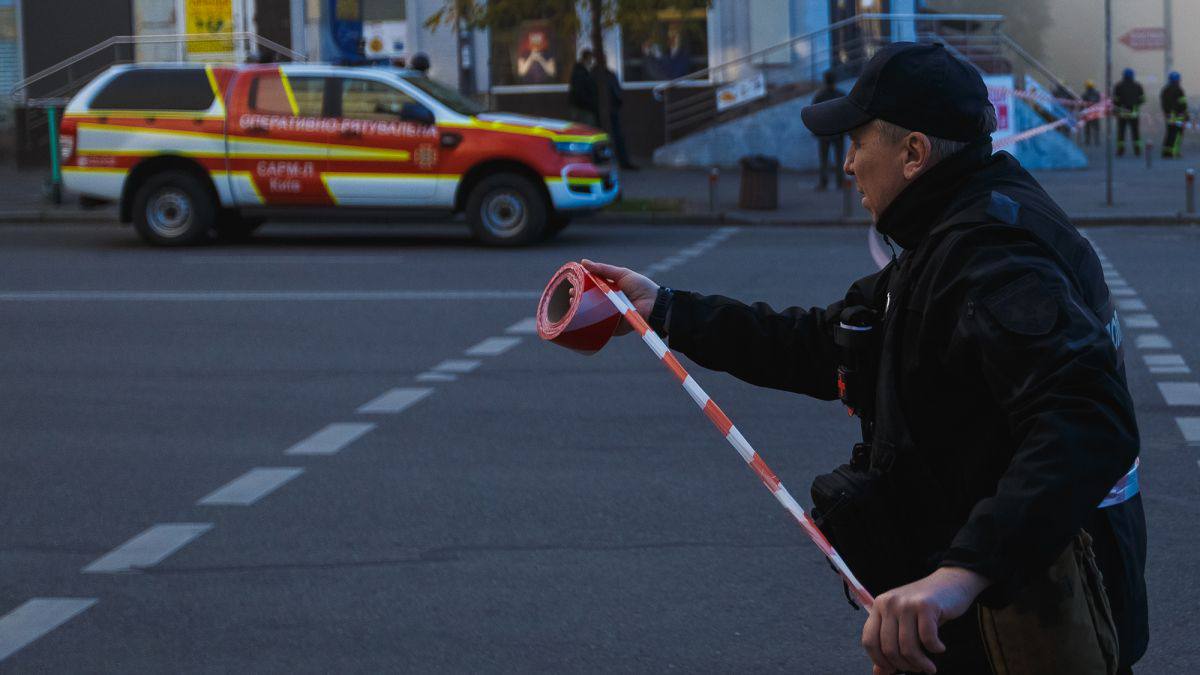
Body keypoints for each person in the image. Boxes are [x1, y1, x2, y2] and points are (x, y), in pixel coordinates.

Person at [583, 42, 1146, 674]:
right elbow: (827, 343)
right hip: (973, 613)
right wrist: (664, 309)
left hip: (1017, 623)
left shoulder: (993, 258)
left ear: (914, 154)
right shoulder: (950, 228)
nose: (848, 163)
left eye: (857, 143)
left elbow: (1089, 419)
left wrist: (957, 578)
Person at [812, 70, 847, 190]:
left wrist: (816, 131)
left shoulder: (819, 96)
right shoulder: (840, 95)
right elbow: (846, 115)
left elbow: (814, 115)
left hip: (824, 133)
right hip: (838, 133)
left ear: (824, 81)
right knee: (839, 159)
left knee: (824, 160)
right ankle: (839, 182)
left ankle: (824, 183)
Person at [601, 63, 638, 171]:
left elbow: (616, 93)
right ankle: (621, 161)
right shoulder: (608, 75)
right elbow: (617, 94)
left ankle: (615, 161)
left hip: (609, 110)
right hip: (611, 110)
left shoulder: (604, 75)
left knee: (615, 136)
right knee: (617, 136)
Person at [1113, 68, 1145, 156]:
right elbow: (1143, 99)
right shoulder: (1138, 86)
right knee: (1135, 132)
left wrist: (1116, 110)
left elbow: (1115, 100)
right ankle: (1137, 150)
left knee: (1121, 132)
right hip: (1134, 113)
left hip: (1122, 113)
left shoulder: (1118, 86)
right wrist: (1136, 104)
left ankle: (1120, 150)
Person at [568, 49, 600, 127]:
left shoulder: (580, 71)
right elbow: (580, 92)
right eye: (590, 59)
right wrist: (590, 104)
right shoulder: (581, 73)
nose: (591, 62)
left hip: (581, 107)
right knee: (586, 129)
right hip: (583, 109)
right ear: (586, 59)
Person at [1160, 71, 1188, 159]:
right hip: (1178, 116)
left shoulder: (1165, 90)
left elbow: (1163, 104)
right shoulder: (1179, 90)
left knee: (1169, 133)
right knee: (1178, 134)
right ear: (1178, 80)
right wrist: (1186, 115)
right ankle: (1174, 152)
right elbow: (1183, 104)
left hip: (1169, 116)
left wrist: (1167, 113)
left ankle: (1166, 152)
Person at [1082, 79, 1102, 146]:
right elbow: (1099, 102)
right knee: (1096, 127)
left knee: (1087, 127)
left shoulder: (1085, 94)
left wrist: (1082, 112)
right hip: (1095, 113)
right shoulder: (1097, 93)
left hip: (1088, 113)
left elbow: (1082, 104)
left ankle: (1087, 141)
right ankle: (1097, 141)